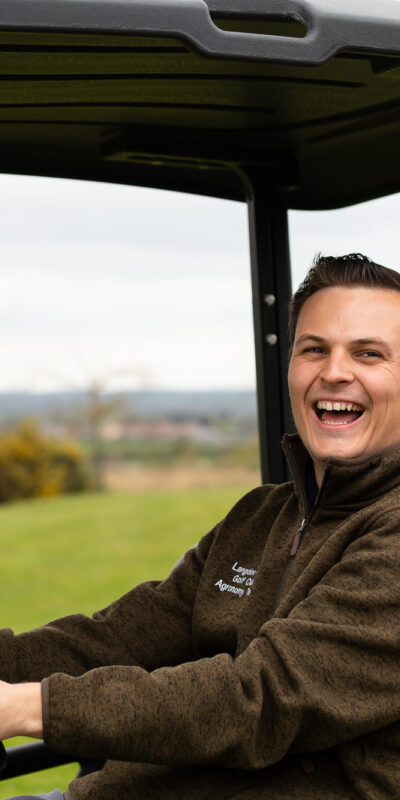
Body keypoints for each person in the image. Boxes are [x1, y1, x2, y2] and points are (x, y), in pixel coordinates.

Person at [1, 252, 400, 800]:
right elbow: (120, 636)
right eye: (313, 349)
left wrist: (29, 707)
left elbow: (258, 700)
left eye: (368, 353)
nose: (333, 371)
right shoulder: (262, 515)